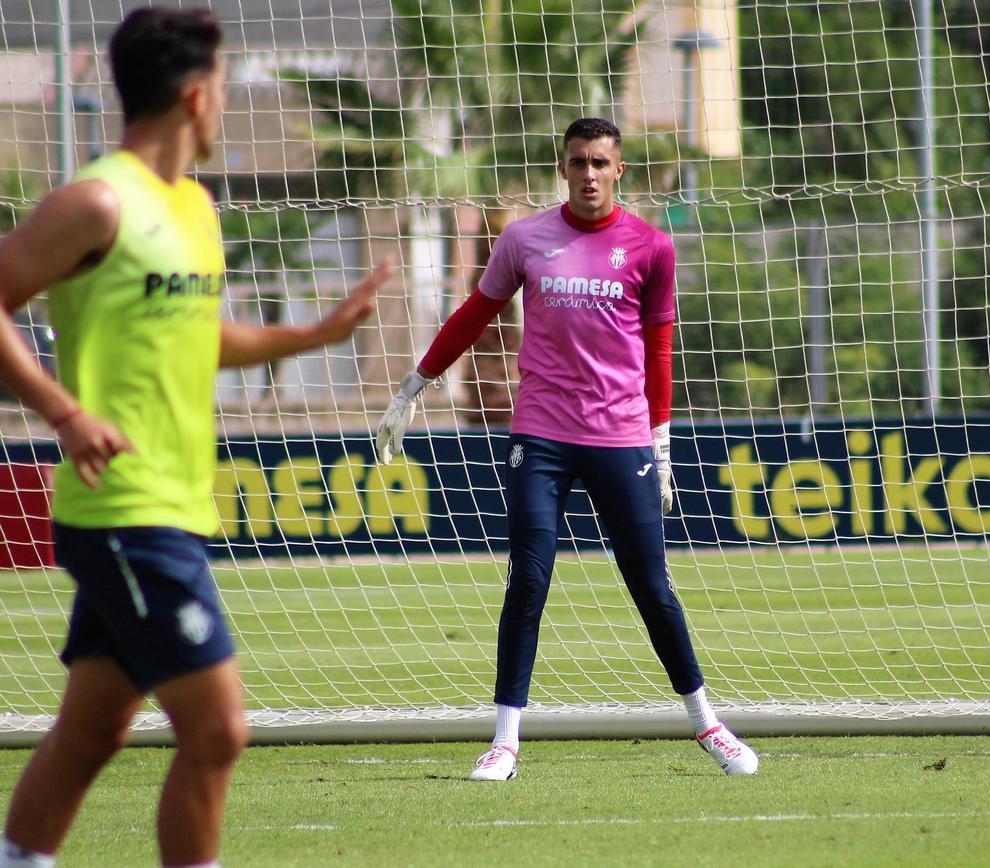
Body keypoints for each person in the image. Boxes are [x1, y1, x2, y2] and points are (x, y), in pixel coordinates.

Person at [0, 9, 391, 867]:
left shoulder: (196, 207)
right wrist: (62, 411)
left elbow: (195, 333)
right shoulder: (96, 201)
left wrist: (310, 337)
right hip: (123, 509)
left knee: (94, 730)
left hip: (173, 504)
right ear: (194, 95)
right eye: (222, 86)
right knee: (218, 731)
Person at [376, 117, 758, 781]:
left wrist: (661, 442)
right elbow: (475, 313)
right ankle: (504, 742)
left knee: (652, 587)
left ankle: (708, 724)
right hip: (543, 436)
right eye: (578, 162)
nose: (588, 174)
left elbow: (660, 352)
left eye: (599, 163)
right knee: (528, 579)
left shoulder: (651, 248)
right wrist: (415, 383)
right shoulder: (525, 239)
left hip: (621, 437)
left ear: (619, 172)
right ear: (564, 168)